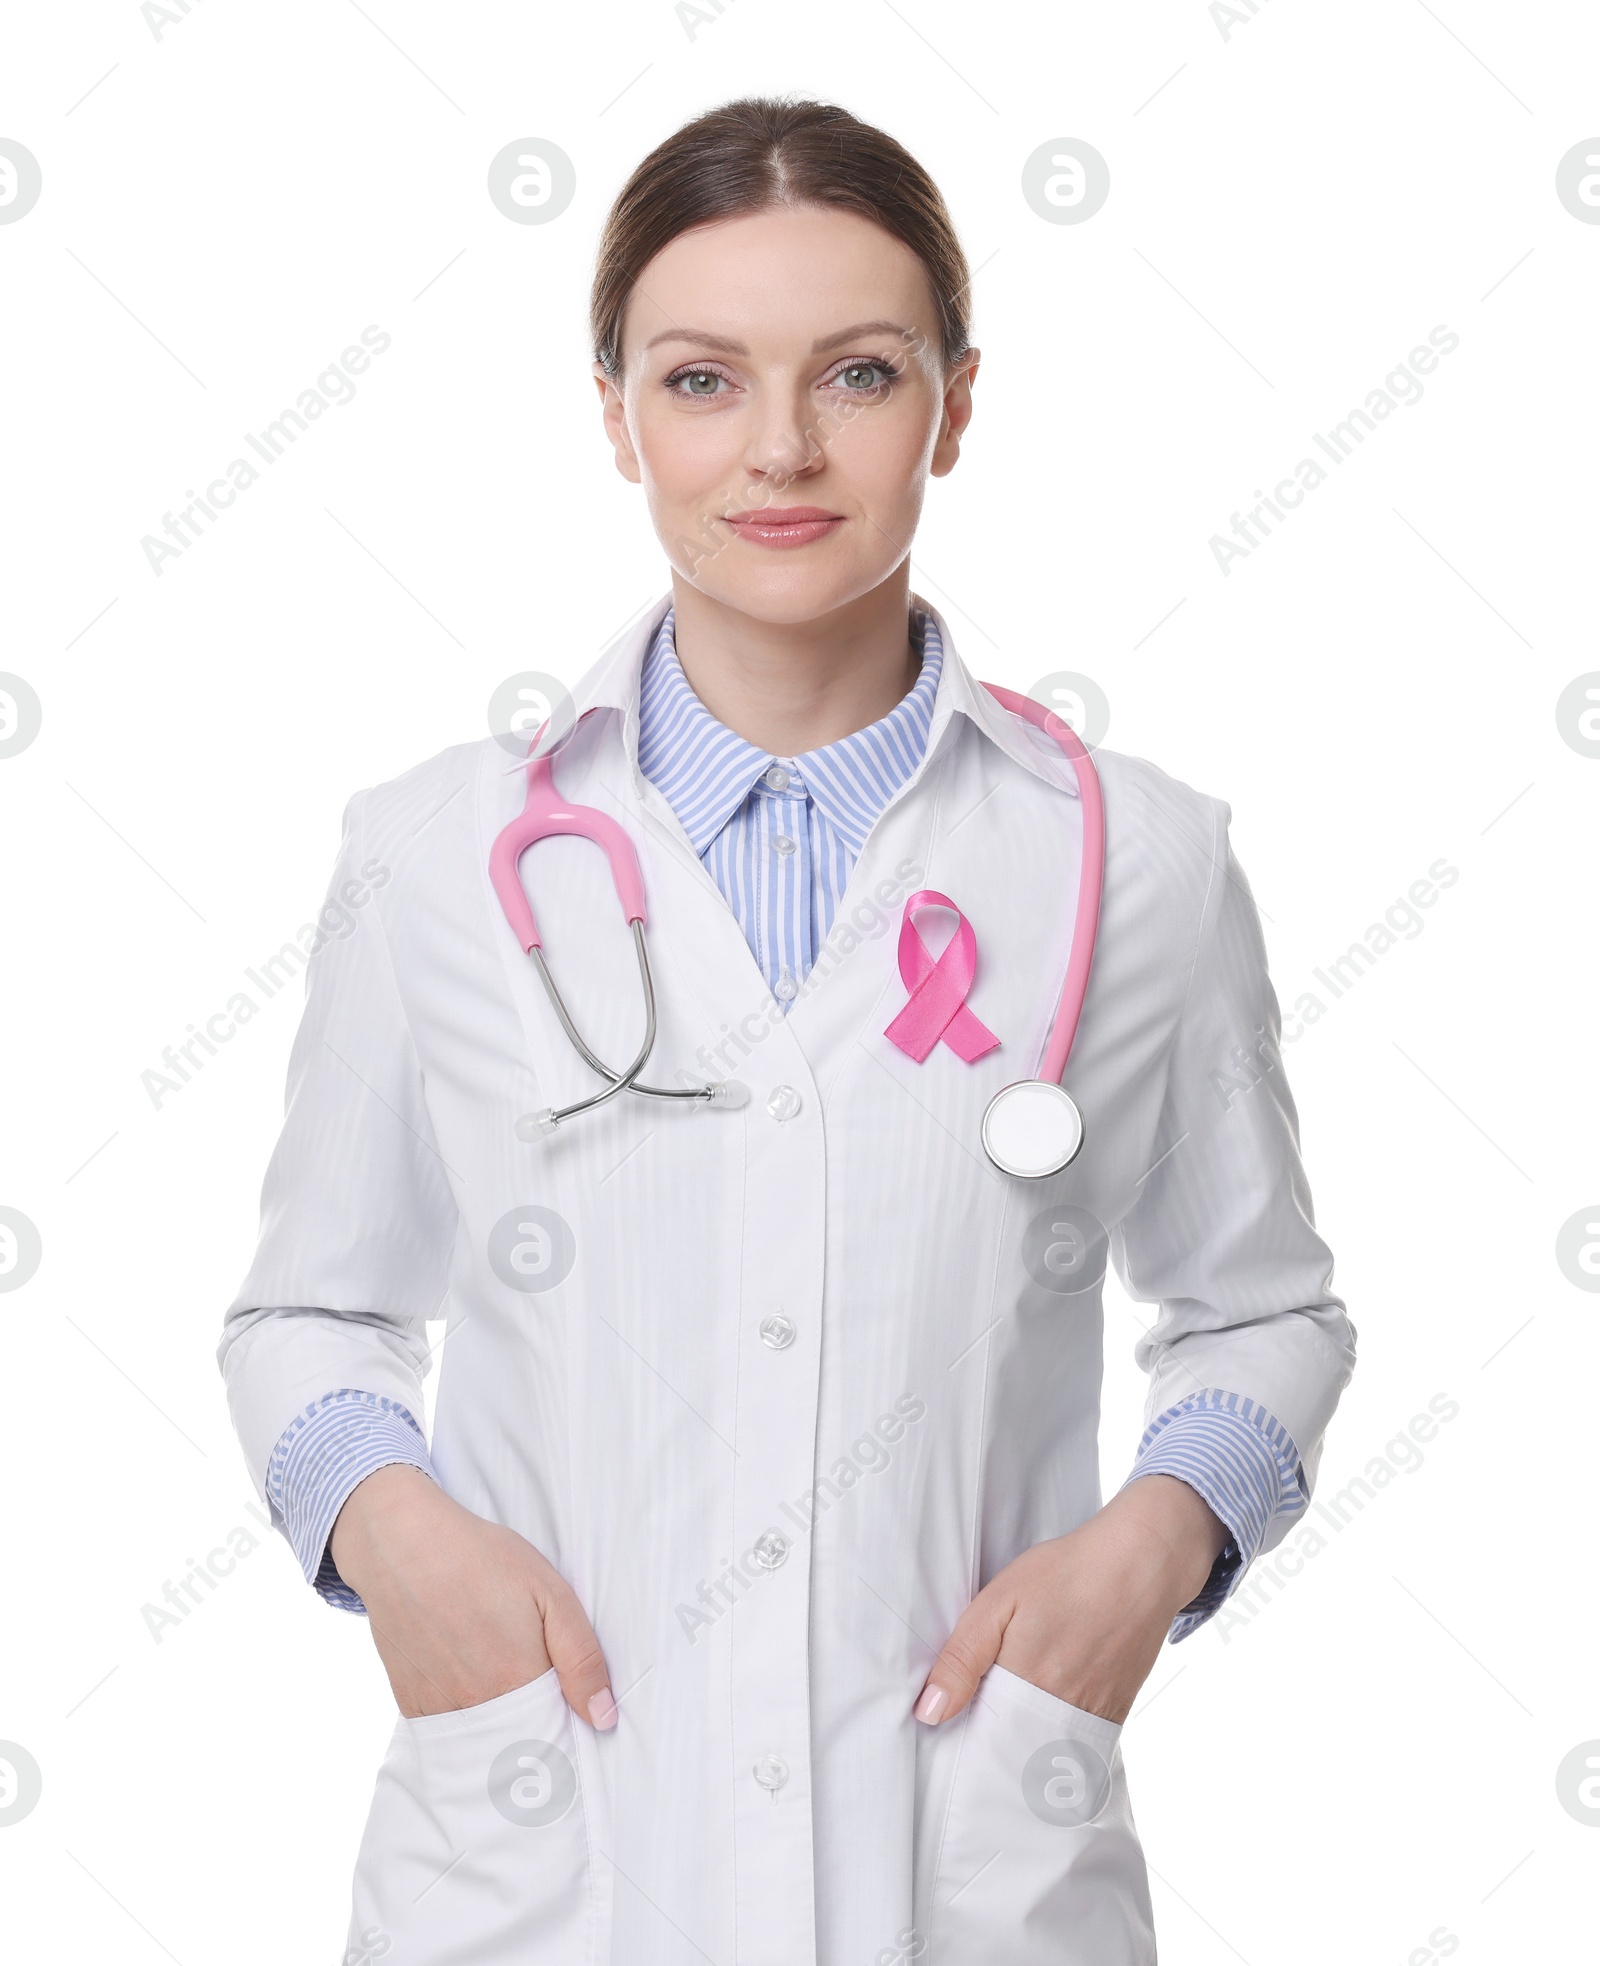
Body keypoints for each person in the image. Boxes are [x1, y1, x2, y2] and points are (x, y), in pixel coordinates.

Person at [219, 94, 1355, 1966]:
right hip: (541, 1867)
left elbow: (1265, 1308)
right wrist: (389, 1529)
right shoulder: (429, 856)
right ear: (613, 418)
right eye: (699, 379)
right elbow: (306, 1310)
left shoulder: (1133, 859)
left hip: (969, 1868)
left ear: (956, 407)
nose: (778, 448)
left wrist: (1154, 1547)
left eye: (856, 373)